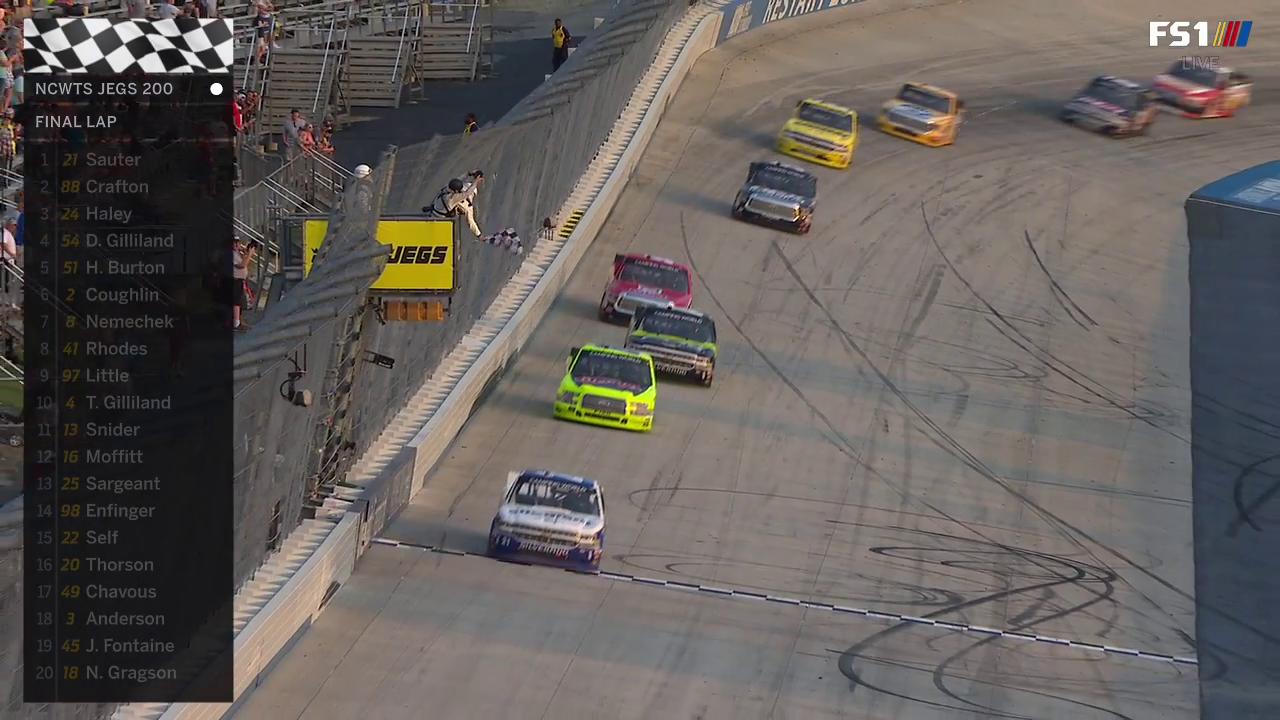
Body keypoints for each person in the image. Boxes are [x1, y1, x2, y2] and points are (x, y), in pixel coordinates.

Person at [423, 170, 485, 238]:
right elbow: (468, 193)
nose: (460, 192)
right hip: (439, 219)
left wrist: (468, 174)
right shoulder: (452, 198)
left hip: (434, 210)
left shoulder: (448, 187)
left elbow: (457, 180)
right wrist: (475, 181)